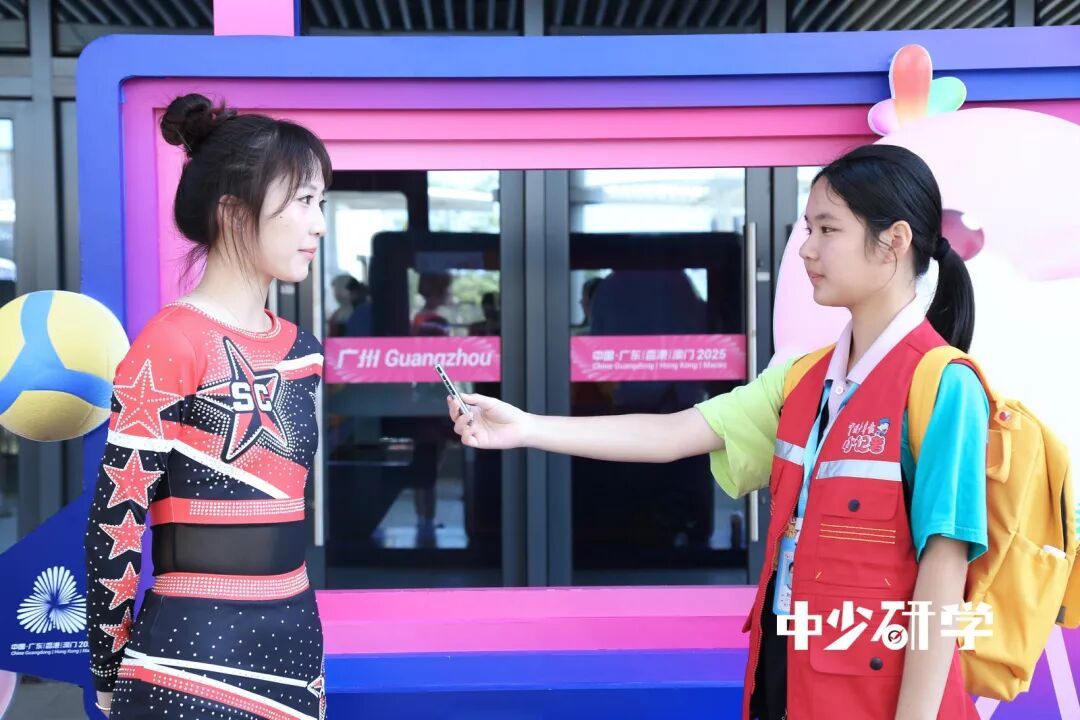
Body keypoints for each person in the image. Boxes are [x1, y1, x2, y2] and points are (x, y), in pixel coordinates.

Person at [446, 144, 986, 720]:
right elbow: (671, 434)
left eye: (828, 229)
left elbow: (943, 573)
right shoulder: (805, 379)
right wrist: (526, 427)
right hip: (785, 676)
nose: (807, 248)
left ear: (894, 241)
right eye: (809, 228)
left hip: (878, 697)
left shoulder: (943, 384)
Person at [84, 93, 330, 719]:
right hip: (188, 664)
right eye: (303, 200)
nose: (318, 225)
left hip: (298, 652)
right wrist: (108, 670)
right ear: (233, 212)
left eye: (320, 203)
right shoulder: (170, 343)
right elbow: (115, 525)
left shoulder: (303, 352)